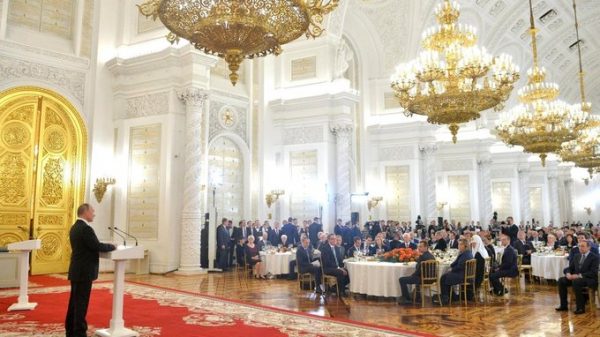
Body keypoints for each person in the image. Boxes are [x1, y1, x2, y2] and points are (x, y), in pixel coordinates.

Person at [66, 204, 116, 337]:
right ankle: (79, 333)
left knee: (74, 303)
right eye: (92, 211)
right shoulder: (85, 229)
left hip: (76, 269)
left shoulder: (75, 227)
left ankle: (70, 331)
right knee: (81, 303)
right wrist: (112, 246)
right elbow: (96, 245)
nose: (94, 214)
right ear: (86, 212)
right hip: (84, 271)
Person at [556, 240, 599, 314]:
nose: (580, 248)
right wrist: (568, 273)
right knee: (561, 280)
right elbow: (569, 268)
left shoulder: (594, 257)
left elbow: (593, 272)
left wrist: (578, 276)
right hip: (576, 278)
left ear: (589, 247)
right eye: (579, 246)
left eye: (583, 246)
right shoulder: (577, 256)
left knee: (576, 281)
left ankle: (580, 308)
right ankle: (563, 305)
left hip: (589, 279)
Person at [437, 239, 473, 305]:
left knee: (443, 277)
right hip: (463, 273)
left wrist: (452, 269)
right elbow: (456, 262)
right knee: (445, 276)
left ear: (465, 245)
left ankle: (445, 298)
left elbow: (460, 266)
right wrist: (451, 265)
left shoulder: (465, 254)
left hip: (462, 275)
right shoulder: (466, 252)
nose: (458, 246)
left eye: (460, 244)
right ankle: (450, 296)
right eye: (459, 244)